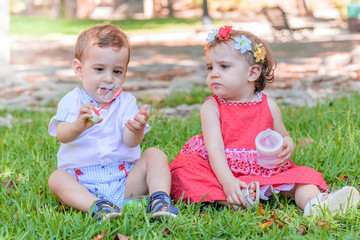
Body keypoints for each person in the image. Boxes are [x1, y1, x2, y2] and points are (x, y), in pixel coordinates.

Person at [169, 26, 359, 216]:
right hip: (219, 168)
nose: (214, 73)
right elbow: (215, 149)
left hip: (261, 166)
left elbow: (283, 135)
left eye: (224, 66)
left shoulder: (268, 105)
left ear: (253, 73)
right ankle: (234, 199)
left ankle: (316, 204)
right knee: (183, 172)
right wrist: (228, 182)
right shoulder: (211, 106)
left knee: (302, 179)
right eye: (210, 67)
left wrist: (288, 145)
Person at [47, 24, 179, 221]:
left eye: (117, 72)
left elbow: (131, 142)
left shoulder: (126, 102)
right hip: (82, 180)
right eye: (99, 69)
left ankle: (159, 200)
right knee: (56, 179)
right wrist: (77, 126)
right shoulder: (72, 101)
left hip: (124, 180)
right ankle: (97, 206)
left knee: (155, 154)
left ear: (125, 73)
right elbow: (61, 134)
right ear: (79, 69)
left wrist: (137, 129)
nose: (108, 78)